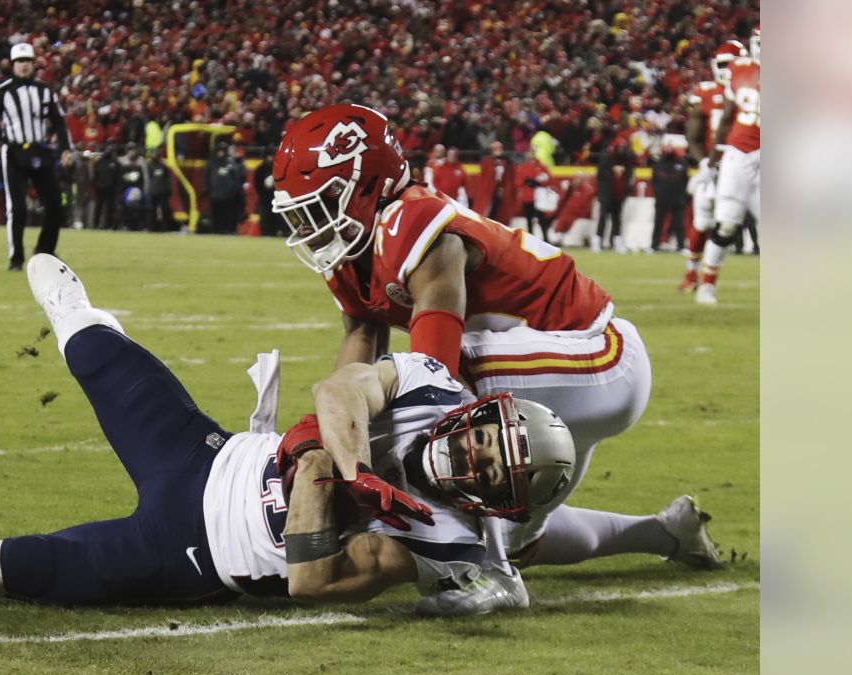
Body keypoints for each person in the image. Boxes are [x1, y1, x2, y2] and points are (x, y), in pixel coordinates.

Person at [0, 257, 718, 613]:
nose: (475, 452)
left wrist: (325, 499)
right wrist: (337, 452)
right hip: (205, 453)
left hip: (189, 554)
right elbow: (346, 383)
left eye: (490, 468)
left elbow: (311, 584)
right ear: (486, 414)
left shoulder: (440, 538)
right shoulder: (437, 383)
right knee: (91, 346)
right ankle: (52, 268)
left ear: (489, 492)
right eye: (491, 437)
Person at [269, 104, 655, 570]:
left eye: (325, 203)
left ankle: (480, 574)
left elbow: (435, 378)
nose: (312, 227)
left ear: (370, 185)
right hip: (547, 379)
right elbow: (360, 348)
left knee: (433, 403)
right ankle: (667, 532)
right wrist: (340, 439)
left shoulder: (414, 222)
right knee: (521, 542)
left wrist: (378, 463)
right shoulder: (354, 248)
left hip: (601, 355)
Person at [0, 42, 73, 271]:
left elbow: (59, 121)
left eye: (27, 62)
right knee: (17, 208)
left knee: (55, 204)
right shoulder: (2, 92)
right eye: (19, 62)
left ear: (34, 64)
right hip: (13, 152)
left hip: (40, 150)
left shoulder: (45, 90)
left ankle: (45, 250)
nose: (24, 66)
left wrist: (65, 148)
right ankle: (16, 258)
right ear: (12, 65)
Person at [697, 28, 760, 306]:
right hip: (739, 153)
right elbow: (725, 119)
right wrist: (711, 163)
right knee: (726, 225)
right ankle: (707, 284)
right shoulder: (739, 69)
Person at [679, 40, 744, 291]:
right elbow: (693, 135)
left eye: (732, 64)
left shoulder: (752, 86)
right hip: (714, 166)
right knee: (703, 222)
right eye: (723, 64)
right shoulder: (705, 92)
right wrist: (705, 163)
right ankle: (692, 273)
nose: (727, 70)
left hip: (744, 164)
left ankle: (707, 279)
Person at [595, 140, 635, 252]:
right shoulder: (607, 157)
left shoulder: (627, 159)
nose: (622, 149)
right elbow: (600, 174)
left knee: (617, 219)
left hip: (619, 194)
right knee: (603, 218)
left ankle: (616, 242)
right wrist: (612, 170)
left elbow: (630, 175)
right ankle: (598, 241)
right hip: (607, 194)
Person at [650, 139, 689, 252]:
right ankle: (654, 245)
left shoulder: (682, 163)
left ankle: (681, 245)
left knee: (679, 224)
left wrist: (682, 196)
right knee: (658, 223)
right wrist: (658, 195)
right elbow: (654, 181)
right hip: (662, 199)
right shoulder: (658, 164)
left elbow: (685, 181)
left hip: (677, 199)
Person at [206, 140, 245, 234]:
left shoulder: (230, 163)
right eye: (219, 150)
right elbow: (206, 177)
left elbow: (236, 178)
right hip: (215, 194)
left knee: (227, 213)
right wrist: (206, 188)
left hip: (228, 195)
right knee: (216, 213)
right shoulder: (212, 163)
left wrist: (235, 189)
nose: (220, 153)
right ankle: (215, 229)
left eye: (222, 150)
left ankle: (226, 229)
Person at [514, 149, 553, 242]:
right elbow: (517, 182)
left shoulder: (540, 166)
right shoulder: (524, 167)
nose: (531, 155)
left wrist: (537, 182)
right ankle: (531, 240)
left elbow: (548, 178)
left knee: (542, 219)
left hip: (539, 198)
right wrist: (527, 182)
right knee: (529, 220)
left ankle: (546, 239)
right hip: (528, 197)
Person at [145, 146, 176, 233]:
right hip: (153, 191)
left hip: (162, 191)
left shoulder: (163, 166)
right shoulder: (149, 166)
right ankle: (151, 228)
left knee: (164, 210)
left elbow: (167, 178)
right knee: (152, 211)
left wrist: (168, 189)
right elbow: (148, 178)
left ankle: (164, 228)